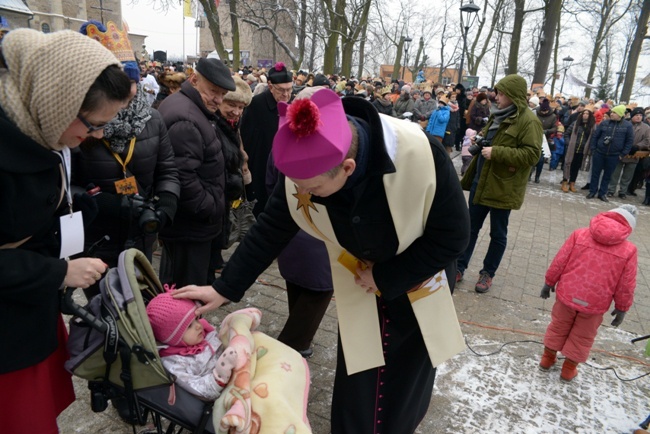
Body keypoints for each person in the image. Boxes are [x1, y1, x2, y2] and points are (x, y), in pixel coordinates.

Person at [170, 88, 470, 433]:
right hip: (361, 286)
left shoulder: (419, 153)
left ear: (347, 168)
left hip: (417, 280)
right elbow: (272, 226)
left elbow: (452, 237)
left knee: (402, 385)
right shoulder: (307, 170)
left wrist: (386, 277)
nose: (303, 194)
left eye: (311, 189)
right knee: (359, 379)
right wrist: (224, 287)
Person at [0, 28, 132, 434]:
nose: (95, 137)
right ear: (59, 104)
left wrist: (97, 207)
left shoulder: (40, 130)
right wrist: (59, 273)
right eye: (93, 125)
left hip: (26, 314)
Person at [74, 20, 180, 298]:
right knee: (104, 306)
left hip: (140, 232)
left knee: (141, 304)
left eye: (133, 82)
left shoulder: (152, 119)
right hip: (97, 236)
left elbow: (168, 169)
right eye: (123, 82)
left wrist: (167, 204)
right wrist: (106, 203)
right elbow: (65, 186)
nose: (130, 91)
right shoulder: (80, 125)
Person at [456, 74, 543, 293]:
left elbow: (532, 155)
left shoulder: (529, 121)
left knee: (498, 234)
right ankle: (458, 267)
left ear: (513, 95)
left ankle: (487, 273)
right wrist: (480, 138)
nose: (497, 96)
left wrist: (497, 152)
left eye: (501, 93)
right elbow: (491, 136)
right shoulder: (498, 115)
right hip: (481, 180)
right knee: (470, 228)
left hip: (504, 187)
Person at [157, 58, 236, 287]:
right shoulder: (187, 118)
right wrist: (210, 207)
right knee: (185, 294)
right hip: (190, 227)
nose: (218, 99)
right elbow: (183, 177)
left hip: (191, 225)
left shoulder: (187, 106)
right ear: (194, 80)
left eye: (222, 94)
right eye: (213, 91)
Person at [539, 204, 637, 382]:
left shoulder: (579, 234)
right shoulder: (629, 250)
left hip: (567, 294)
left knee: (558, 325)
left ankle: (547, 359)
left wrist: (549, 282)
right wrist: (622, 307)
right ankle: (568, 370)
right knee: (583, 335)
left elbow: (560, 260)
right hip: (595, 303)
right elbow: (626, 284)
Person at [146, 290, 237, 400]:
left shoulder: (201, 334)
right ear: (174, 337)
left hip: (237, 368)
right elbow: (197, 388)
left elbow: (220, 342)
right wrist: (219, 377)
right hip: (222, 390)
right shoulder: (175, 363)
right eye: (189, 326)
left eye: (196, 319)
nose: (198, 326)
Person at [241, 62, 293, 216]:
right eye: (281, 90)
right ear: (270, 86)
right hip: (260, 166)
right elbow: (247, 139)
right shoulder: (256, 105)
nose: (286, 95)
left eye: (289, 89)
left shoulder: (294, 104)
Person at [212, 75, 252, 272]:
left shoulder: (232, 123)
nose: (236, 112)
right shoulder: (212, 122)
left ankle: (216, 260)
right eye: (231, 105)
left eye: (241, 107)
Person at [586, 104, 634, 202]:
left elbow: (629, 141)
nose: (611, 114)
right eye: (611, 112)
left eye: (614, 113)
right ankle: (592, 191)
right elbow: (595, 136)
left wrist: (622, 154)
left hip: (614, 155)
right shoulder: (604, 123)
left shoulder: (627, 126)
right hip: (599, 152)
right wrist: (593, 149)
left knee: (608, 175)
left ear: (620, 114)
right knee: (595, 173)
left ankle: (602, 193)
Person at [607, 107, 650, 199]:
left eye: (640, 115)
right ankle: (611, 190)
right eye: (636, 115)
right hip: (621, 152)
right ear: (632, 116)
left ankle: (623, 191)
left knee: (628, 175)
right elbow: (618, 136)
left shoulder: (646, 128)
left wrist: (637, 146)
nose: (639, 117)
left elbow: (647, 140)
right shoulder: (624, 124)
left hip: (635, 154)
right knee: (615, 173)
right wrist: (624, 147)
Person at [562, 105, 595, 193]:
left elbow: (592, 138)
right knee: (568, 165)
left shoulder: (592, 127)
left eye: (587, 114)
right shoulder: (575, 123)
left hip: (582, 151)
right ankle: (565, 181)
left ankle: (572, 183)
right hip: (572, 149)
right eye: (584, 113)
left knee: (576, 167)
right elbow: (566, 134)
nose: (585, 115)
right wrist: (569, 143)